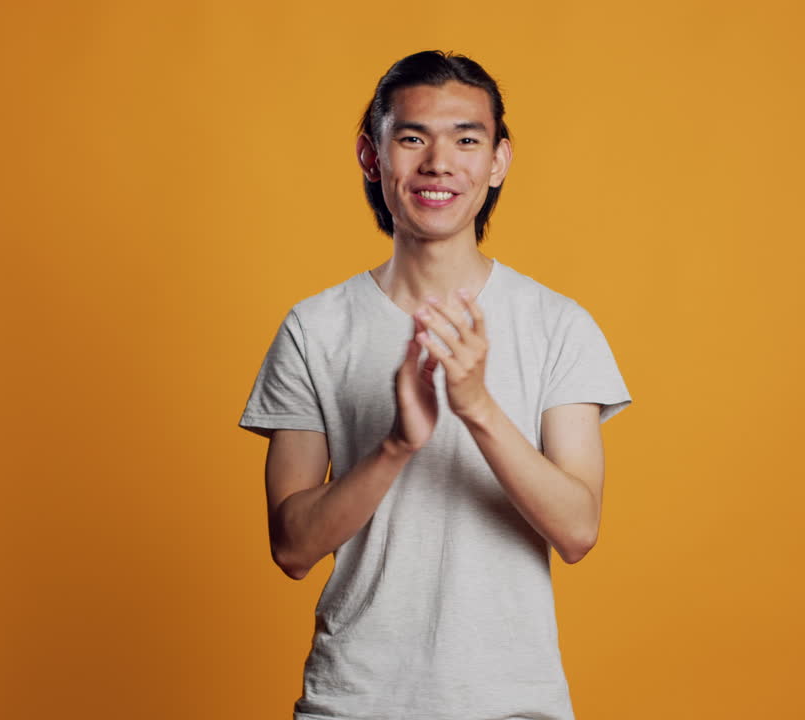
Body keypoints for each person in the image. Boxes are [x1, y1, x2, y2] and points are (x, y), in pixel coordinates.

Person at [239, 50, 633, 720]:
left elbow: (577, 530)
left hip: (514, 704)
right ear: (372, 155)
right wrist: (396, 445)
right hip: (353, 703)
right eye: (413, 137)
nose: (439, 163)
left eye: (467, 138)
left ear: (499, 160)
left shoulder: (559, 324)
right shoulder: (314, 328)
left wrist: (477, 407)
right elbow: (293, 546)